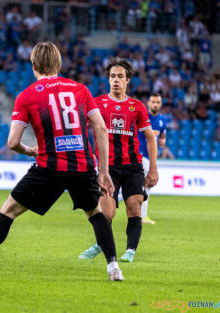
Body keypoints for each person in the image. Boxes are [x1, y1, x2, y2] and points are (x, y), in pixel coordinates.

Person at [0, 42, 125, 281]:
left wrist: (30, 150)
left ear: (33, 65)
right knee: (95, 212)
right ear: (59, 64)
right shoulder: (80, 90)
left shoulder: (27, 96)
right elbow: (101, 129)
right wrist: (104, 172)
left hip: (49, 166)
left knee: (8, 211)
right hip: (83, 166)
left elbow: (12, 142)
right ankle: (114, 267)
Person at [79, 57, 159, 263]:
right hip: (108, 168)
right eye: (112, 76)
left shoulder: (137, 107)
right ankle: (100, 243)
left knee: (135, 206)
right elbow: (79, 129)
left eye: (120, 76)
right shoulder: (96, 104)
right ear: (108, 79)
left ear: (128, 81)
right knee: (106, 214)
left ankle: (130, 250)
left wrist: (153, 169)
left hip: (133, 167)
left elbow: (150, 137)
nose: (116, 80)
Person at [137, 93, 166, 224]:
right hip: (141, 154)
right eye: (153, 102)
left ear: (161, 104)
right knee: (147, 184)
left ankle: (141, 214)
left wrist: (162, 141)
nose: (155, 104)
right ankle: (142, 216)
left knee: (144, 185)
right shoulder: (142, 117)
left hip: (151, 157)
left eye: (158, 102)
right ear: (148, 103)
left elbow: (162, 135)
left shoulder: (162, 120)